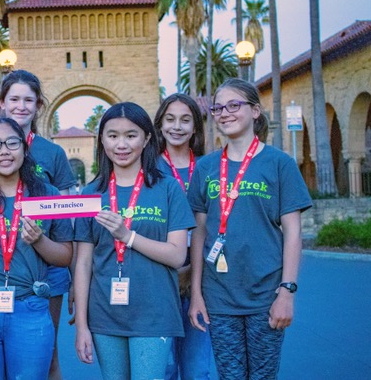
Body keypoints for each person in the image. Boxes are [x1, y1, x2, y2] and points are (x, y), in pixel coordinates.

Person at [187, 78, 312, 379]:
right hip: (219, 297)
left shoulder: (279, 163)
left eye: (234, 105)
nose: (224, 113)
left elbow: (294, 233)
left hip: (266, 295)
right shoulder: (205, 167)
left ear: (255, 111)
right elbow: (200, 233)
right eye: (218, 108)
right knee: (230, 376)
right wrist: (196, 295)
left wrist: (287, 292)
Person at [0, 70, 76, 380]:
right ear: (1, 103)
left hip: (46, 268)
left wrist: (75, 277)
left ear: (39, 105)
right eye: (14, 99)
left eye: (28, 100)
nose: (21, 106)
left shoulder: (53, 153)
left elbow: (66, 218)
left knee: (46, 357)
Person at [73, 102, 195, 379]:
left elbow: (177, 255)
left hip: (155, 313)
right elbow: (82, 263)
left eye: (131, 135)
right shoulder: (92, 193)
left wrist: (127, 237)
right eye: (113, 135)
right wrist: (81, 325)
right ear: (101, 139)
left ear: (147, 138)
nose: (121, 144)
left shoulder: (167, 187)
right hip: (105, 315)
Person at [154, 94, 218, 380]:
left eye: (185, 120)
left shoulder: (211, 167)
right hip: (160, 280)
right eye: (169, 119)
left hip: (201, 281)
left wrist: (194, 268)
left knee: (196, 370)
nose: (176, 126)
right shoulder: (148, 168)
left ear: (196, 127)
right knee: (162, 368)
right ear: (159, 125)